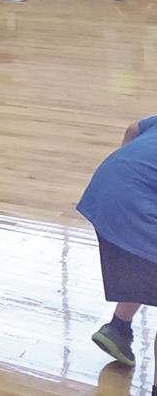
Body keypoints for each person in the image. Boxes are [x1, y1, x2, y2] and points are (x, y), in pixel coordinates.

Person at [77, 116, 157, 374]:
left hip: (108, 183)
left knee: (145, 262)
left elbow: (133, 129)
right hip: (134, 201)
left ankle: (118, 328)